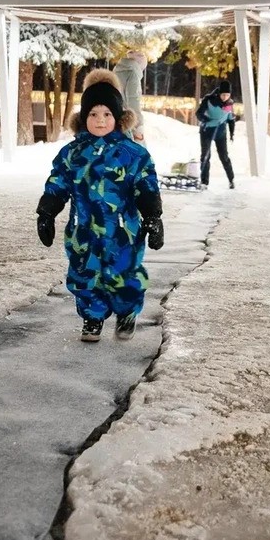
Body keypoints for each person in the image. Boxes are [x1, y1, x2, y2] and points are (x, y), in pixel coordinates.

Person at [36, 69, 164, 343]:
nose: (100, 120)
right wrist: (46, 211)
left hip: (123, 233)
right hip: (84, 232)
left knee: (125, 274)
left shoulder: (133, 154)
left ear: (118, 118)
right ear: (84, 119)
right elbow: (58, 183)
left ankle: (127, 312)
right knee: (84, 274)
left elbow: (146, 185)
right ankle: (92, 317)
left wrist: (153, 216)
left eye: (107, 114)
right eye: (93, 114)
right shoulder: (72, 153)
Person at [196, 80, 236, 189]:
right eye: (223, 95)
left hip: (220, 132)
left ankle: (231, 180)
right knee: (205, 156)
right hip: (207, 131)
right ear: (219, 93)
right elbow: (198, 113)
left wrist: (232, 133)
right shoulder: (209, 100)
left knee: (224, 156)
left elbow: (231, 119)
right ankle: (204, 182)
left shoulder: (230, 104)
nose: (225, 97)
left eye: (227, 95)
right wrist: (205, 119)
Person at [113, 50, 147, 144]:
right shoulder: (133, 73)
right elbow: (133, 100)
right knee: (139, 154)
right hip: (127, 122)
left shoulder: (116, 72)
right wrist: (138, 127)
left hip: (113, 119)